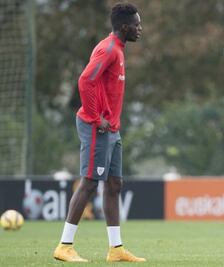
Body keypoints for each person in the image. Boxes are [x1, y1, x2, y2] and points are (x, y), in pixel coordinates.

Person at [53, 3, 145, 263]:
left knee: (114, 184)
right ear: (124, 26)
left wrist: (110, 121)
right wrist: (96, 117)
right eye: (137, 25)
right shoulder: (108, 49)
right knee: (90, 182)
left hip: (112, 129)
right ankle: (64, 245)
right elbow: (85, 80)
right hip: (97, 127)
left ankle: (116, 249)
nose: (140, 29)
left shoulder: (118, 49)